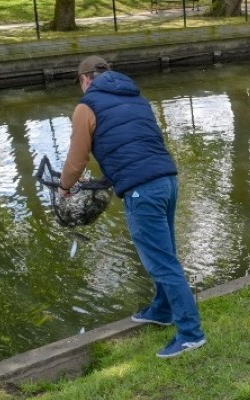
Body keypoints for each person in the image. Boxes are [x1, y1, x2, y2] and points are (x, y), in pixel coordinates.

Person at [59, 55, 208, 358]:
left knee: (162, 262)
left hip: (142, 191)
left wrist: (64, 187)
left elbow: (77, 159)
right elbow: (135, 143)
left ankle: (191, 333)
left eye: (80, 82)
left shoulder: (86, 106)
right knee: (164, 254)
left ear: (85, 79)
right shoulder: (136, 97)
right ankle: (162, 309)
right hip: (167, 180)